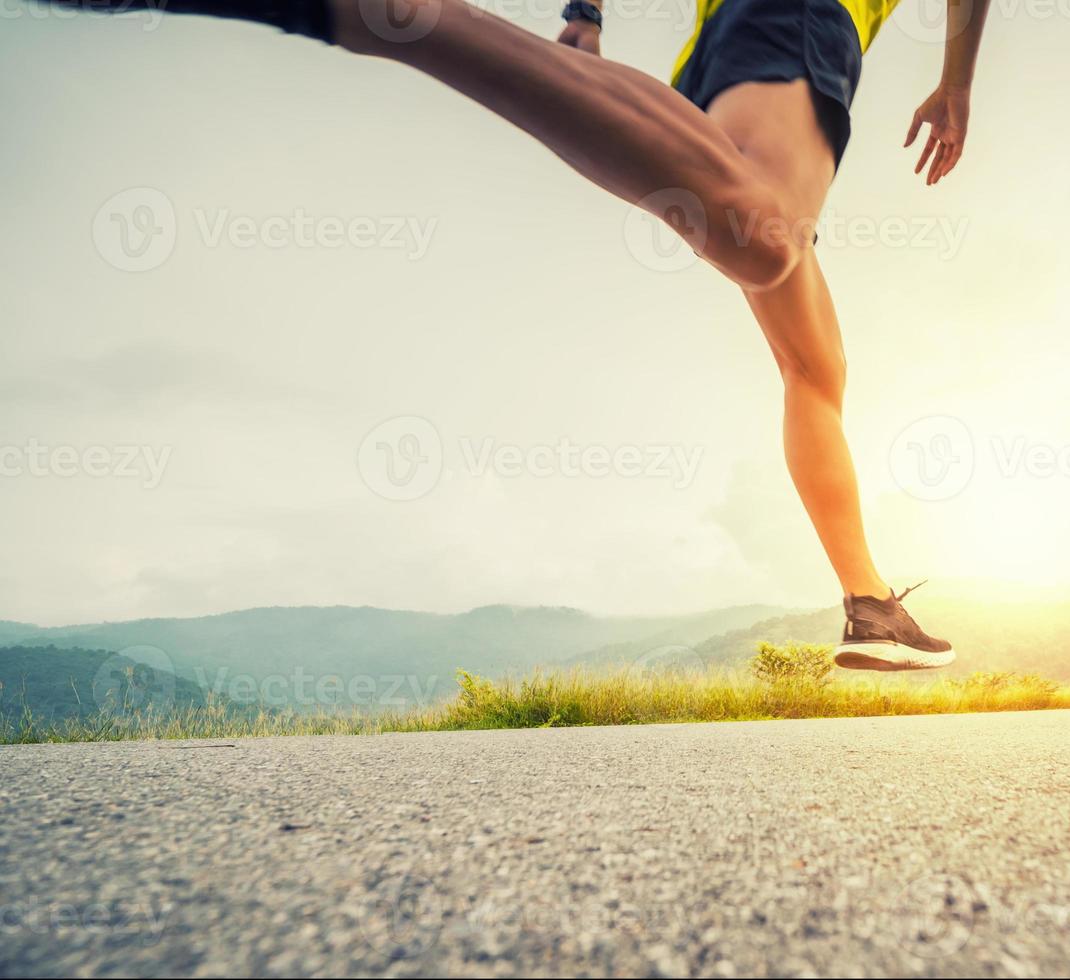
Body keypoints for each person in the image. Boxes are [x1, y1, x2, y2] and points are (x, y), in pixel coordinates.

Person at [47, 0, 990, 669]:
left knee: (816, 363)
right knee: (764, 236)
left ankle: (868, 602)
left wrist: (585, 10)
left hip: (734, 48)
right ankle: (405, 17)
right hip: (794, 19)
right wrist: (957, 81)